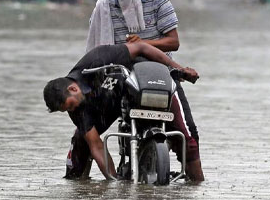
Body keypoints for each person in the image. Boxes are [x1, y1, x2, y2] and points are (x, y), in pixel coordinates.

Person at [43, 42, 204, 183]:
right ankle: (77, 183)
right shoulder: (78, 111)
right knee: (82, 139)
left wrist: (178, 68)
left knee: (186, 140)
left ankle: (198, 186)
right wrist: (114, 181)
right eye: (67, 110)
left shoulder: (97, 59)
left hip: (151, 86)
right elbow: (97, 146)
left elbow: (141, 47)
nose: (72, 111)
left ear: (73, 88)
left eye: (70, 105)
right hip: (113, 105)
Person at [86, 0, 199, 144]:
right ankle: (77, 170)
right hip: (121, 74)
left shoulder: (158, 0)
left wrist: (142, 45)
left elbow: (173, 42)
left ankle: (194, 173)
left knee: (188, 135)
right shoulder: (105, 6)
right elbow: (98, 47)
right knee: (87, 129)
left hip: (162, 72)